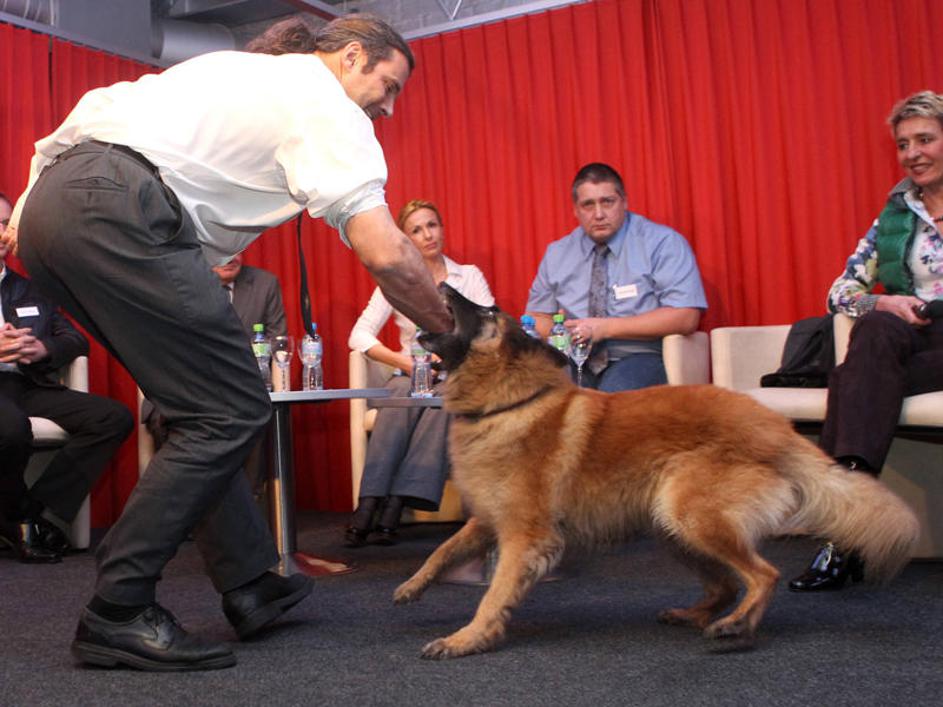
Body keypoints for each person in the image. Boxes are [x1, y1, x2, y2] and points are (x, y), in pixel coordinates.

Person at [2, 14, 452, 672]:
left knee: (195, 407)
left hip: (54, 213)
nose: (388, 107)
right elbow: (386, 253)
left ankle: (249, 582)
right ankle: (118, 608)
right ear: (353, 55)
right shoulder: (327, 101)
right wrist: (450, 332)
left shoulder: (229, 69)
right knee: (231, 409)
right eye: (389, 86)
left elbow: (91, 111)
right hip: (124, 213)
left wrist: (32, 209)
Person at [789, 90, 943, 592]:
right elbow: (839, 291)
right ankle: (854, 519)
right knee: (874, 331)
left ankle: (844, 532)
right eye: (903, 144)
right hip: (913, 340)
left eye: (925, 139)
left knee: (852, 379)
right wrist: (885, 303)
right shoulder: (896, 214)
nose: (913, 153)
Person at [345, 199, 494, 547]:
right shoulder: (396, 280)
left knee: (442, 399)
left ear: (442, 229)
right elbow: (359, 335)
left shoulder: (468, 276)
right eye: (416, 230)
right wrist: (405, 364)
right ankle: (368, 505)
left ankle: (395, 506)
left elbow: (489, 327)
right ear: (405, 240)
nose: (427, 235)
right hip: (412, 372)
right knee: (398, 394)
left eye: (432, 225)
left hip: (457, 374)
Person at [0, 192, 133, 564]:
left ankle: (32, 511)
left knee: (113, 418)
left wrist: (42, 349)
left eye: (6, 224)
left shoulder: (31, 288)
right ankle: (18, 519)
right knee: (11, 429)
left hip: (26, 384)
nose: (2, 233)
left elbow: (75, 339)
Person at [525, 163, 707, 391]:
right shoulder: (558, 253)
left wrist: (604, 328)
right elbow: (536, 316)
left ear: (624, 202)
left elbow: (685, 315)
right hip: (575, 357)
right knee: (534, 395)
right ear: (576, 210)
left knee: (611, 399)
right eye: (588, 205)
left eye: (607, 202)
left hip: (638, 355)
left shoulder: (661, 243)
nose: (599, 214)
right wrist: (563, 333)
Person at [141, 252, 287, 503]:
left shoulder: (264, 284)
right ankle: (184, 504)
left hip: (243, 385)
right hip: (188, 386)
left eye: (235, 250)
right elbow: (165, 342)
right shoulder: (178, 283)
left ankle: (245, 504)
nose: (230, 258)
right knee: (172, 418)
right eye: (221, 250)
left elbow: (277, 340)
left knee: (253, 411)